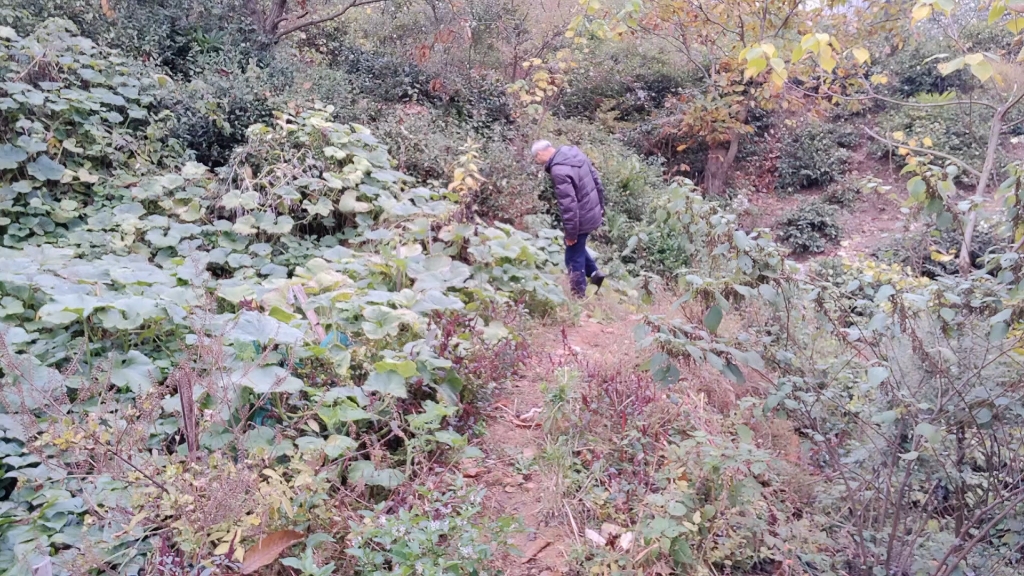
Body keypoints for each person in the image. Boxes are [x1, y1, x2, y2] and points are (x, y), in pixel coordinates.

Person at [531, 140, 607, 298]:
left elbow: (568, 205)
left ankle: (578, 295)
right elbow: (596, 179)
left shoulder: (558, 170)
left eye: (536, 159)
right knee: (577, 248)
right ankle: (594, 272)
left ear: (540, 154)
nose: (537, 162)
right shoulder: (573, 152)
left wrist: (571, 233)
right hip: (592, 210)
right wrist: (601, 206)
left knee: (572, 256)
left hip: (581, 216)